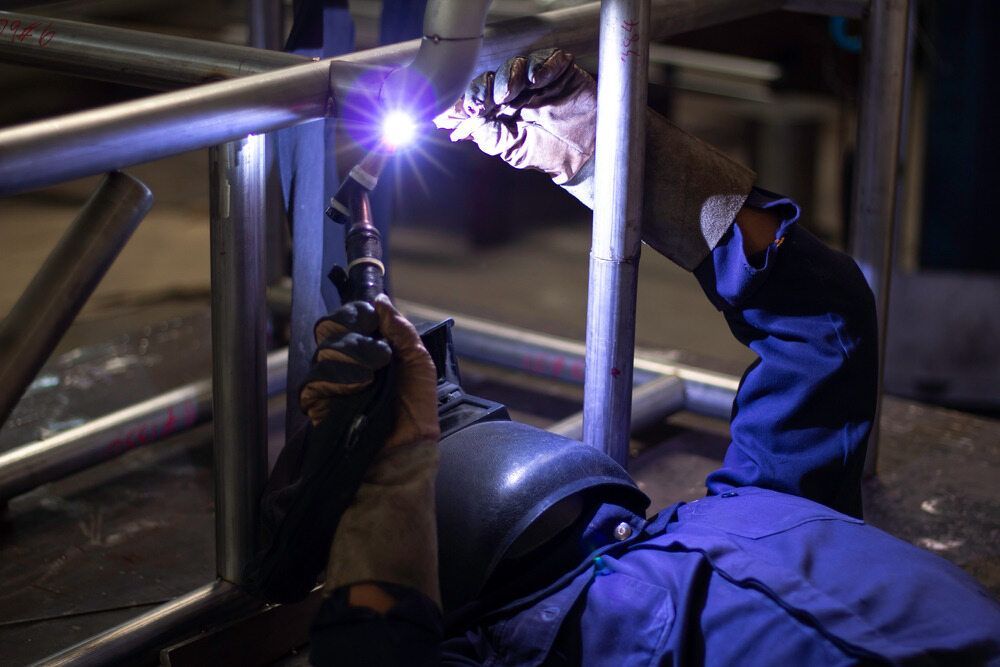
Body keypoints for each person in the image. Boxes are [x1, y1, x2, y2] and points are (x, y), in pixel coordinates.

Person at [262, 50, 1000, 665]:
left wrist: (608, 157)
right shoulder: (772, 502)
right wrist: (613, 156)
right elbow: (824, 315)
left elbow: (823, 312)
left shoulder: (748, 509)